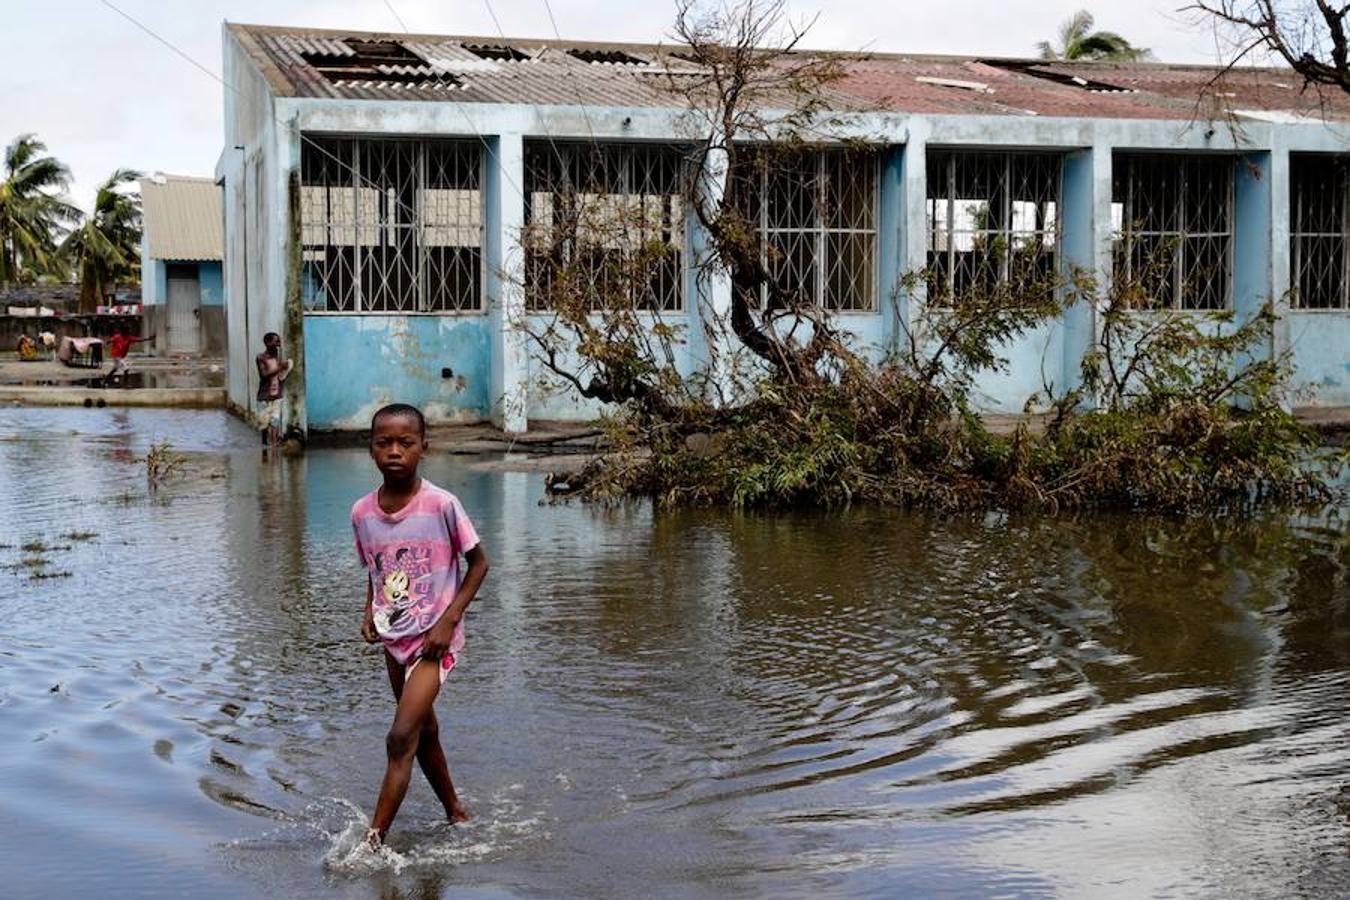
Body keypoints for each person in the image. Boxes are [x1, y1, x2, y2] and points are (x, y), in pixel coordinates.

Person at [352, 403, 489, 848]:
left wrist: (449, 620)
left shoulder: (442, 504)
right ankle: (457, 812)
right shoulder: (362, 514)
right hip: (394, 638)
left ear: (423, 448)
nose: (395, 451)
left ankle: (373, 842)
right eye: (384, 443)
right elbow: (376, 567)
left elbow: (480, 564)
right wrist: (369, 609)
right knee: (423, 731)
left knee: (399, 737)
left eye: (405, 443)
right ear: (371, 449)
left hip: (434, 641)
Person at [254, 332, 293, 451]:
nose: (278, 344)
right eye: (276, 341)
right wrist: (280, 367)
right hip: (264, 396)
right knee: (264, 424)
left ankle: (274, 449)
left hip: (277, 395)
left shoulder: (279, 357)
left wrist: (286, 368)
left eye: (279, 342)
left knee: (275, 422)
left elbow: (282, 376)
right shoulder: (261, 357)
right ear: (266, 343)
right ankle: (265, 448)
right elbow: (264, 375)